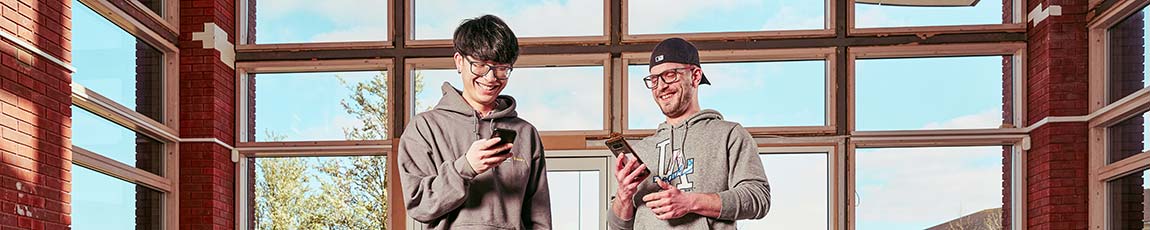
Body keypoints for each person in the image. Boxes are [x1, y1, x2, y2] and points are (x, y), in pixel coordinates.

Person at [398, 15, 551, 229]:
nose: (491, 78)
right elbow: (420, 205)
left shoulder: (525, 133)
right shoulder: (424, 128)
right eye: (479, 65)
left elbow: (539, 218)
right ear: (459, 61)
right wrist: (465, 167)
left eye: (501, 68)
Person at [608, 37, 771, 229]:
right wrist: (624, 196)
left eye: (670, 75)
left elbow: (758, 198)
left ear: (695, 76)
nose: (661, 86)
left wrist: (692, 202)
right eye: (654, 79)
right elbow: (617, 225)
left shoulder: (730, 135)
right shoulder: (640, 151)